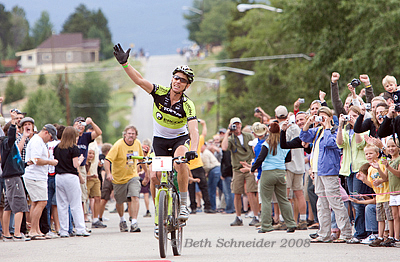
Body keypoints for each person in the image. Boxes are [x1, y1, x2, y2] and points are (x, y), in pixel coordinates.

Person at [113, 44, 199, 223]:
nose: (177, 81)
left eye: (182, 80)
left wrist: (194, 149)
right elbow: (139, 80)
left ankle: (183, 204)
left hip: (179, 140)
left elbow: (194, 129)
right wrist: (125, 64)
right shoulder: (160, 92)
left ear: (187, 85)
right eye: (176, 77)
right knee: (153, 175)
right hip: (160, 141)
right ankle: (159, 215)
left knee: (181, 163)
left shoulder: (187, 104)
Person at [299, 106, 352, 243]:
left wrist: (327, 126)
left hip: (329, 171)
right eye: (319, 116)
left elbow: (331, 143)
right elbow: (303, 136)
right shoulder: (318, 131)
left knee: (336, 202)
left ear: (329, 117)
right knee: (321, 204)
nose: (321, 119)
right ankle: (324, 234)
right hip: (318, 171)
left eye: (323, 116)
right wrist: (308, 123)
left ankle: (346, 233)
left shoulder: (334, 131)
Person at [251, 122, 297, 233]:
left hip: (268, 172)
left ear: (269, 131)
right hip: (281, 173)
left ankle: (266, 225)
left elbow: (260, 158)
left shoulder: (267, 143)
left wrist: (253, 168)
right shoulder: (284, 144)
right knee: (283, 199)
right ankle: (291, 223)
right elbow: (288, 159)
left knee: (266, 200)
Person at [336, 106, 370, 243]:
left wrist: (357, 125)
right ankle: (360, 230)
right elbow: (339, 144)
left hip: (359, 169)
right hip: (348, 169)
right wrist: (340, 126)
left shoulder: (364, 129)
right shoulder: (345, 130)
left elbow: (360, 143)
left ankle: (361, 232)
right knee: (353, 201)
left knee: (358, 201)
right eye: (349, 116)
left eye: (354, 116)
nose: (351, 119)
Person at [105, 125, 148, 233]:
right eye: (129, 133)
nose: (131, 136)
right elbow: (107, 160)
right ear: (125, 134)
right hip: (119, 178)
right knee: (119, 201)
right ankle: (122, 220)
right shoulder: (118, 145)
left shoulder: (137, 143)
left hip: (133, 176)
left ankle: (134, 222)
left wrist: (146, 172)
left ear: (136, 135)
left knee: (135, 196)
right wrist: (108, 173)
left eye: (133, 134)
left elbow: (141, 159)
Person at [221, 117, 260, 227]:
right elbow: (224, 148)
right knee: (237, 192)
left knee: (251, 192)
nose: (237, 127)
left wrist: (253, 164)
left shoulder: (248, 136)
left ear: (241, 125)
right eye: (234, 125)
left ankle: (256, 216)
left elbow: (255, 147)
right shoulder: (230, 138)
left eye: (238, 124)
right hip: (237, 168)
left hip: (249, 167)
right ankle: (238, 217)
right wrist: (228, 132)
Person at [53, 126, 90, 238]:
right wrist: (80, 160)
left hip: (59, 176)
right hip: (71, 177)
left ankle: (63, 230)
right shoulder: (74, 148)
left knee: (62, 204)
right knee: (75, 203)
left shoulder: (57, 147)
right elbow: (75, 165)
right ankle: (80, 228)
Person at [24, 124, 58, 240]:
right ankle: (33, 230)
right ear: (46, 132)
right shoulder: (37, 142)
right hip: (35, 176)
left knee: (36, 202)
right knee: (42, 202)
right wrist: (50, 162)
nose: (51, 140)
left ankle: (36, 229)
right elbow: (36, 160)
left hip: (37, 176)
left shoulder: (38, 141)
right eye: (51, 137)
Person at [1, 111, 30, 241]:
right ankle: (17, 233)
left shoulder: (9, 145)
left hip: (11, 176)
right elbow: (11, 137)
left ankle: (6, 233)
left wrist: (25, 164)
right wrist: (13, 122)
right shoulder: (7, 142)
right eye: (16, 129)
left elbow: (13, 161)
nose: (18, 131)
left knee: (8, 206)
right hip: (13, 178)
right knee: (19, 205)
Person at [358, 144, 394, 247]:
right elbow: (373, 186)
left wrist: (378, 168)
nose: (368, 155)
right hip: (379, 197)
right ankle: (380, 236)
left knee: (389, 217)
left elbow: (385, 178)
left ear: (377, 154)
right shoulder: (369, 169)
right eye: (366, 154)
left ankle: (390, 236)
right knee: (380, 218)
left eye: (370, 153)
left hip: (387, 196)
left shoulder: (382, 164)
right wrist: (364, 180)